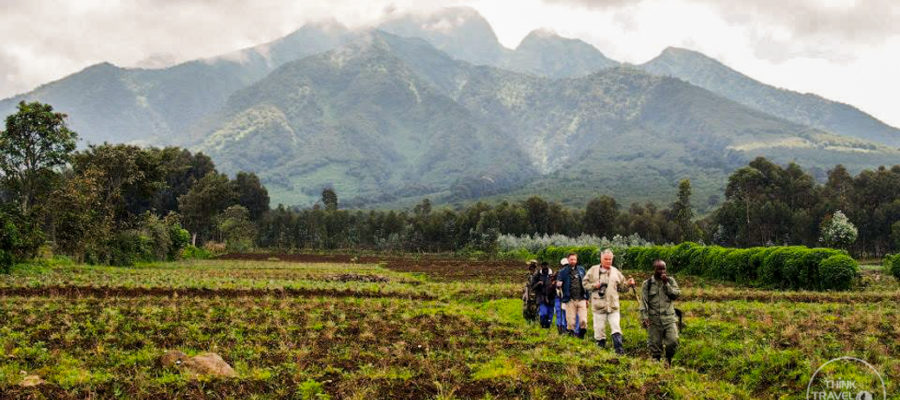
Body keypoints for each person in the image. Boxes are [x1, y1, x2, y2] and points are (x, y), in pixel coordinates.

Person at [583, 249, 635, 355]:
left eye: (610, 259)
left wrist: (629, 284)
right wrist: (595, 286)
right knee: (599, 329)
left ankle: (619, 350)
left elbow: (622, 288)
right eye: (606, 259)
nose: (608, 261)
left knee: (616, 327)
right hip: (598, 306)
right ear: (601, 259)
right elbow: (584, 283)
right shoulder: (593, 270)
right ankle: (600, 351)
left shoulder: (616, 271)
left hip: (613, 306)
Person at [639, 259, 681, 365]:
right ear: (654, 269)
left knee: (673, 341)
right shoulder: (647, 284)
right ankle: (656, 363)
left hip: (669, 318)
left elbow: (676, 295)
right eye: (659, 269)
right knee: (654, 344)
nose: (662, 271)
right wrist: (644, 317)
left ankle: (668, 360)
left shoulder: (670, 281)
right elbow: (643, 302)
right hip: (654, 319)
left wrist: (666, 284)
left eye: (664, 269)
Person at [556, 252, 588, 338]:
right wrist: (558, 284)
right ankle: (572, 338)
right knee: (571, 322)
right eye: (571, 259)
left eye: (574, 259)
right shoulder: (563, 271)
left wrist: (587, 298)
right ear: (568, 260)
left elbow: (586, 284)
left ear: (576, 260)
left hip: (581, 298)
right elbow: (558, 282)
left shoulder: (581, 270)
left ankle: (581, 335)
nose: (573, 261)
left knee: (583, 321)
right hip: (569, 299)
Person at [531, 261, 554, 328]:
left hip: (551, 297)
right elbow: (532, 287)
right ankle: (543, 325)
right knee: (543, 313)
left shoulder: (552, 274)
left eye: (546, 267)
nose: (545, 269)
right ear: (541, 267)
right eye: (543, 267)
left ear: (548, 266)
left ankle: (548, 326)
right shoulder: (537, 275)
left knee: (550, 315)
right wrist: (538, 283)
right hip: (541, 297)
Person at [552, 258, 570, 334]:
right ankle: (561, 329)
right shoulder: (557, 274)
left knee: (565, 313)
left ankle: (565, 328)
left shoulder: (570, 273)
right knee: (560, 313)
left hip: (566, 297)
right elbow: (555, 285)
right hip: (559, 297)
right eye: (564, 265)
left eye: (566, 265)